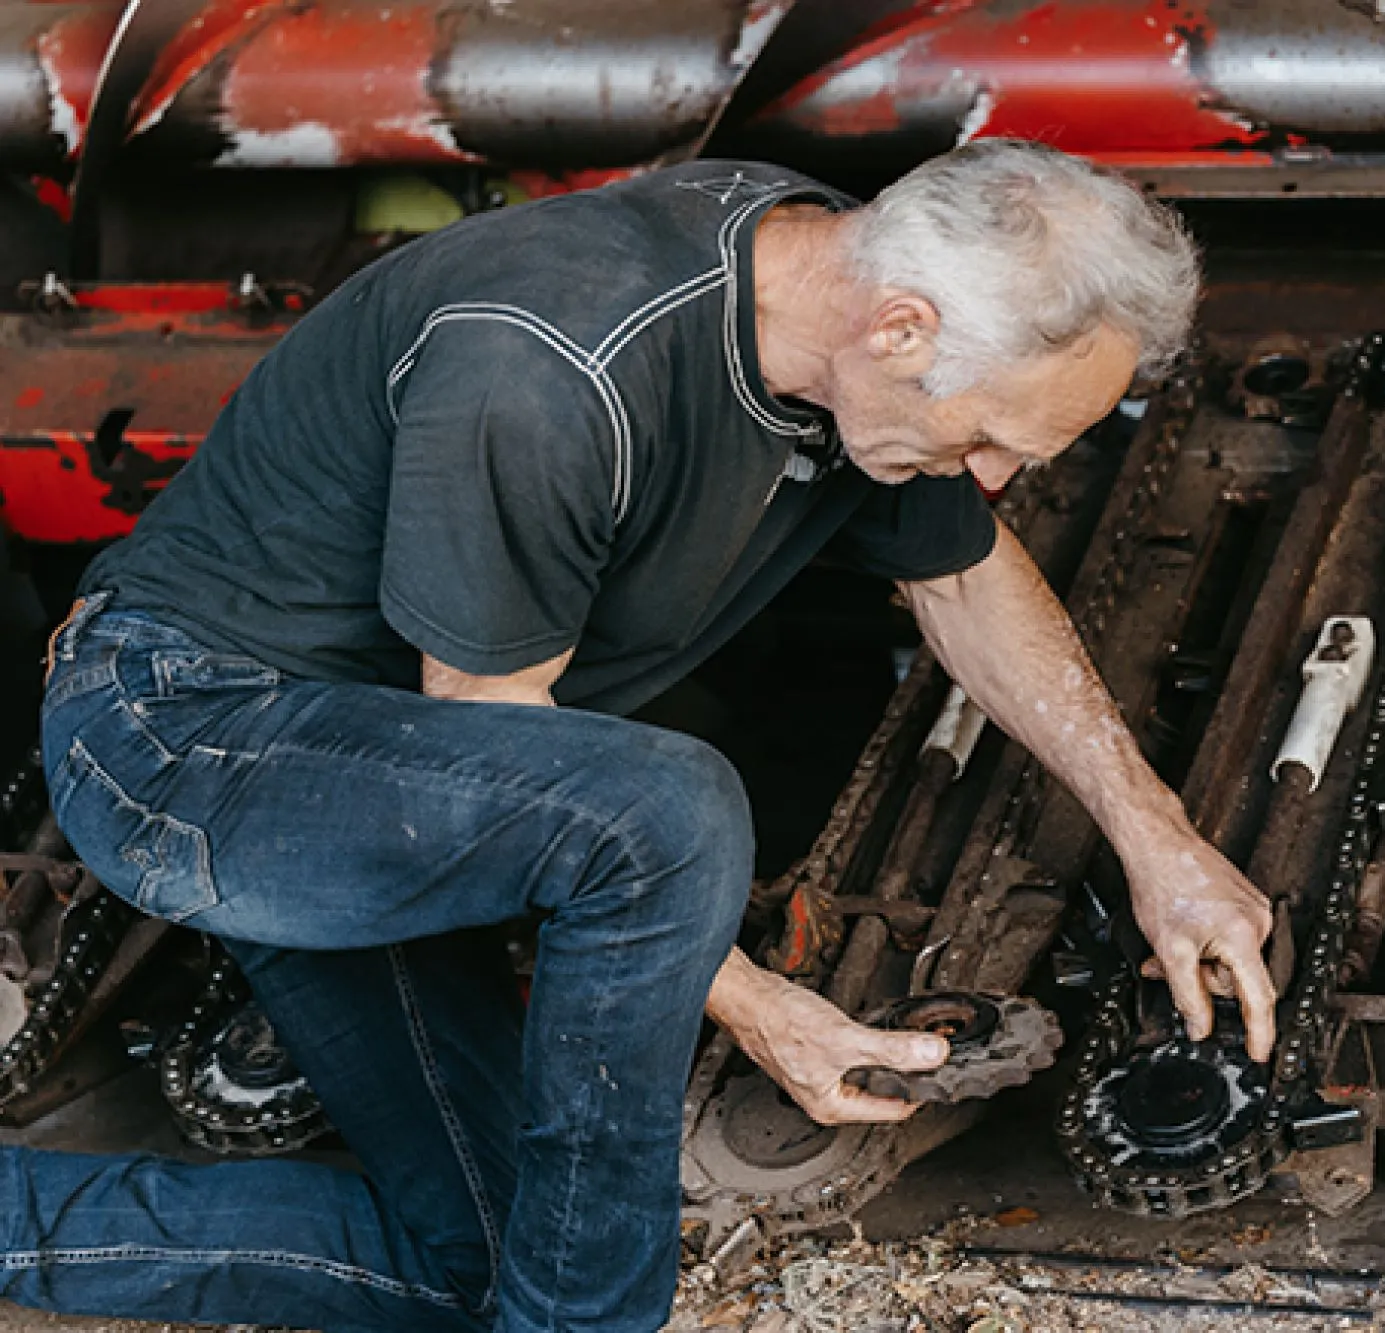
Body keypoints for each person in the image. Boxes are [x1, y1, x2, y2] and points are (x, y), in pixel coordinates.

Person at [28, 139, 1277, 1332]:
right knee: (663, 809)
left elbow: (963, 578)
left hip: (378, 774)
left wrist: (1155, 839)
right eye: (991, 436)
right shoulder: (553, 366)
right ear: (902, 329)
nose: (994, 472)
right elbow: (497, 737)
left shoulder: (822, 283)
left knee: (494, 1260)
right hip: (185, 743)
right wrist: (757, 1002)